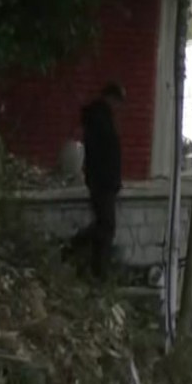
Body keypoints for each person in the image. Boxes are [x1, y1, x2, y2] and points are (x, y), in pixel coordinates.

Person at [75, 82, 125, 278]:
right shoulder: (100, 119)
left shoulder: (102, 117)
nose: (118, 106)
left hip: (103, 180)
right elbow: (104, 153)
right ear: (110, 98)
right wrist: (109, 178)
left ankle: (95, 263)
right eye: (117, 101)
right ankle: (97, 267)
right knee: (106, 225)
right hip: (102, 181)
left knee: (104, 224)